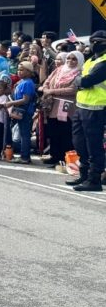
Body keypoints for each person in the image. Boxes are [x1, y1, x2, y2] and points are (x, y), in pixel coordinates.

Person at [69, 30, 106, 191]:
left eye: (98, 42)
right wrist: (80, 81)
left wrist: (80, 81)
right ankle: (83, 175)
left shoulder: (104, 62)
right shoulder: (92, 59)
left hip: (97, 108)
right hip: (81, 106)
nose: (94, 44)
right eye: (93, 41)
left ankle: (94, 179)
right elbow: (79, 79)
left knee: (94, 146)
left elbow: (87, 80)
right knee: (79, 143)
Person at [39, 50, 83, 166]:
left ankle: (64, 158)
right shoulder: (59, 70)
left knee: (64, 132)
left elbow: (72, 90)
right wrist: (45, 89)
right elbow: (47, 81)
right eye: (69, 58)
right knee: (53, 131)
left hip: (67, 106)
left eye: (74, 59)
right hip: (52, 105)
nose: (70, 61)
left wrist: (51, 91)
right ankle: (54, 156)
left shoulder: (79, 73)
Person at [8, 61, 38, 164]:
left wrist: (11, 103)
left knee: (25, 134)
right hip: (20, 110)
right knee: (22, 133)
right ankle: (23, 155)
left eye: (22, 70)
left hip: (25, 111)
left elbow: (25, 100)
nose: (19, 72)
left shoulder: (27, 83)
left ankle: (25, 156)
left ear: (29, 72)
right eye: (18, 70)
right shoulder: (22, 82)